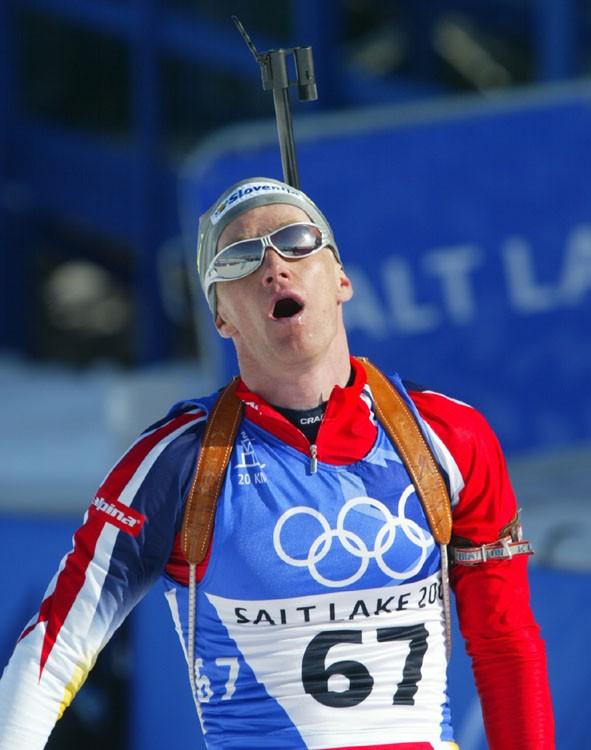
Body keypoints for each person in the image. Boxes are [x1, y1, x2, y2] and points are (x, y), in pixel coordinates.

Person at [0, 177, 554, 749]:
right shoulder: (176, 464)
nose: (274, 266)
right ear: (222, 318)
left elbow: (505, 643)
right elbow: (53, 649)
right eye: (239, 257)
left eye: (296, 241)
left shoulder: (448, 436)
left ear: (341, 280)